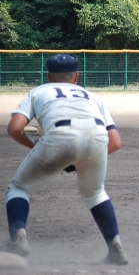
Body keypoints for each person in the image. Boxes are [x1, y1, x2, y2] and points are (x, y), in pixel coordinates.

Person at [0, 53, 128, 265]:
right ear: (76, 77)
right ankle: (116, 248)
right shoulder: (92, 96)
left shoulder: (39, 91)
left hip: (59, 136)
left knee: (19, 188)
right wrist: (82, 158)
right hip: (98, 138)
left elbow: (14, 129)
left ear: (49, 77)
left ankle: (18, 240)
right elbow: (115, 142)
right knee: (95, 193)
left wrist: (35, 146)